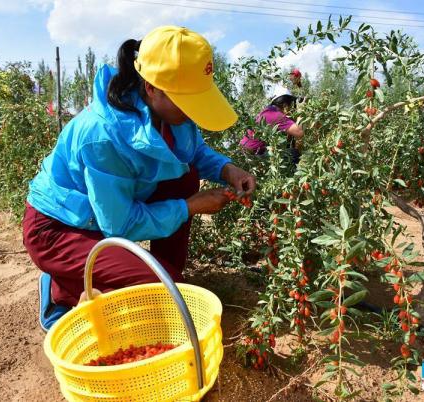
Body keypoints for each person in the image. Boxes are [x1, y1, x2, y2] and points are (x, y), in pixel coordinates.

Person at [23, 25, 256, 331]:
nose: (192, 112)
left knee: (184, 178)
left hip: (101, 215)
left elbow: (191, 150)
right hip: (58, 229)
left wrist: (227, 168)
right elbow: (120, 226)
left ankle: (158, 272)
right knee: (167, 296)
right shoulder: (102, 136)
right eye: (188, 101)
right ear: (151, 87)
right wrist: (190, 207)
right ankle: (63, 289)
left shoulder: (173, 113)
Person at [239, 86, 304, 163]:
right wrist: (301, 112)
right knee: (294, 154)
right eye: (291, 105)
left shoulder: (268, 111)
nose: (292, 108)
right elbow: (300, 133)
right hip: (253, 156)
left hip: (245, 153)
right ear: (285, 105)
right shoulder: (276, 115)